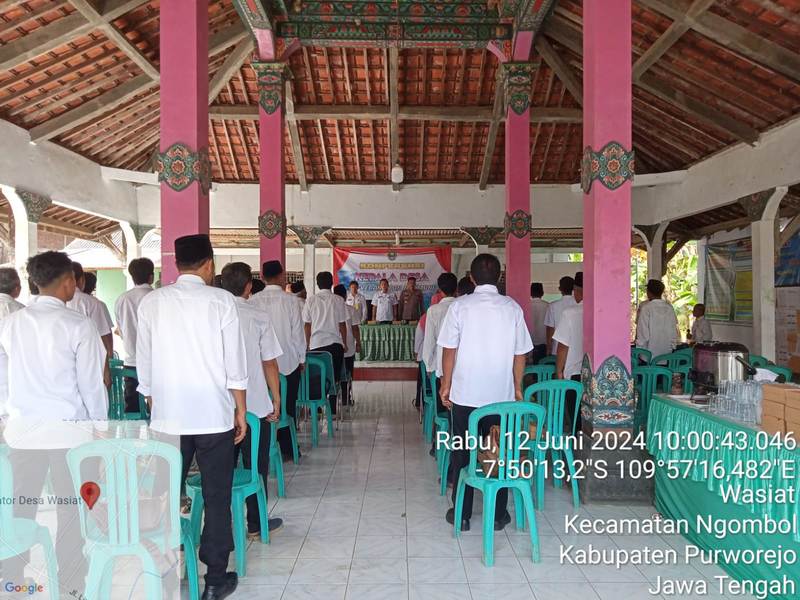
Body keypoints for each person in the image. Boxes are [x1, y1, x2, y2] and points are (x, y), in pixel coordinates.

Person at [136, 234, 248, 600]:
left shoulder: (152, 303)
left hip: (168, 417)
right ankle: (215, 579)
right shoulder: (222, 301)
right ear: (209, 264)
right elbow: (235, 364)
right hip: (214, 416)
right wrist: (241, 410)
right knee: (216, 496)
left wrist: (156, 403)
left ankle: (163, 569)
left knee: (164, 494)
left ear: (175, 265)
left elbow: (145, 365)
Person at [0, 251, 107, 599]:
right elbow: (92, 385)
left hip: (23, 432)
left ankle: (12, 581)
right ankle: (71, 584)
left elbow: (3, 377)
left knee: (20, 508)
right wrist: (101, 429)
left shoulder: (12, 323)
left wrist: (6, 414)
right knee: (72, 511)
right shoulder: (78, 324)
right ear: (67, 282)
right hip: (69, 435)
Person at [438, 254, 533, 532]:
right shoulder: (512, 308)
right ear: (500, 276)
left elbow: (449, 350)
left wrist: (446, 385)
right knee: (499, 454)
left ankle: (463, 514)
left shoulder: (459, 306)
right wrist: (517, 387)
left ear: (471, 277)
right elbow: (520, 354)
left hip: (465, 397)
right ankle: (498, 514)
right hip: (500, 400)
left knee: (462, 454)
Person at [220, 262, 284, 539]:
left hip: (220, 407)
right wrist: (277, 397)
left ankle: (221, 526)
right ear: (249, 287)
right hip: (255, 405)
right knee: (255, 466)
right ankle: (257, 524)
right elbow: (269, 362)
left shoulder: (212, 314)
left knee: (221, 468)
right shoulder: (257, 317)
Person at [249, 260, 307, 459]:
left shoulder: (252, 301)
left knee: (262, 407)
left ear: (262, 278)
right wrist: (301, 358)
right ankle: (288, 449)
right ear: (283, 276)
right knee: (287, 407)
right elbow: (298, 333)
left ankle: (262, 448)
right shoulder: (291, 301)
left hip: (261, 366)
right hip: (288, 363)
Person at [114, 257, 155, 413]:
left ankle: (132, 436)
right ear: (151, 276)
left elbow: (121, 330)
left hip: (132, 360)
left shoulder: (122, 299)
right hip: (155, 361)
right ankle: (157, 436)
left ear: (131, 276)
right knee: (157, 407)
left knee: (132, 406)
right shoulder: (157, 297)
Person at [303, 271, 348, 414]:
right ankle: (333, 410)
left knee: (315, 376)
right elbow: (342, 325)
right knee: (334, 377)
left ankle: (315, 408)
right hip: (335, 344)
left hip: (316, 345)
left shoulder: (310, 300)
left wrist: (307, 343)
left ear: (317, 284)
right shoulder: (338, 300)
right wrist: (345, 343)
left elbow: (307, 325)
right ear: (332, 284)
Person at [67, 261, 113, 388]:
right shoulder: (91, 302)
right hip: (90, 363)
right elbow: (104, 335)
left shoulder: (43, 306)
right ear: (82, 280)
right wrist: (106, 368)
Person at [553, 272, 584, 432]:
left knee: (575, 415)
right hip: (598, 374)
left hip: (574, 373)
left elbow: (563, 345)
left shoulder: (570, 313)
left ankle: (577, 445)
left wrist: (559, 371)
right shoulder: (600, 311)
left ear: (576, 292)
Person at [636, 279, 679, 358]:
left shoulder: (646, 308)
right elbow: (674, 332)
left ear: (649, 293)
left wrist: (638, 350)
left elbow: (643, 334)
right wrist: (671, 348)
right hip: (666, 354)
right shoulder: (669, 307)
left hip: (647, 355)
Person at [333, 284, 361, 406]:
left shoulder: (330, 309)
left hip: (333, 346)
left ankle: (334, 399)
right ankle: (345, 398)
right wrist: (358, 343)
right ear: (345, 296)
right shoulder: (350, 309)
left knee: (335, 373)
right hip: (348, 347)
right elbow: (355, 328)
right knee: (347, 373)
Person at [544, 276, 576, 356]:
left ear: (559, 288)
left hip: (557, 347)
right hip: (576, 347)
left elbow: (550, 328)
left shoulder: (553, 306)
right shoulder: (579, 304)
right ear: (573, 288)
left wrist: (548, 347)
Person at [529, 282, 549, 364]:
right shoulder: (548, 305)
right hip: (544, 342)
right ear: (542, 293)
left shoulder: (526, 305)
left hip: (529, 342)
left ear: (530, 293)